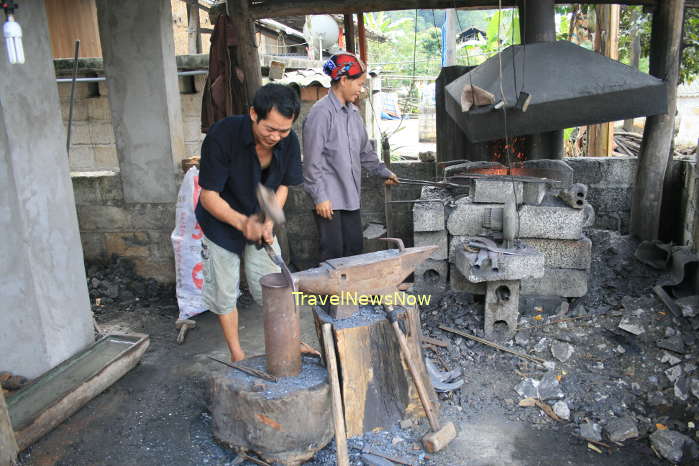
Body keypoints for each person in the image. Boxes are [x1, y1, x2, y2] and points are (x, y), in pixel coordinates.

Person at [196, 83, 302, 362]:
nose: (276, 137)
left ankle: (292, 341)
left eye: (284, 131)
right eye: (270, 129)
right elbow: (208, 196)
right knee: (224, 290)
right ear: (254, 114)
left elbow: (283, 188)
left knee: (275, 285)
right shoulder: (223, 136)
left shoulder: (288, 141)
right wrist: (244, 223)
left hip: (259, 219)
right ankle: (237, 353)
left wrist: (268, 221)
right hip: (221, 222)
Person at [303, 52, 399, 262]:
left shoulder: (353, 114)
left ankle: (349, 295)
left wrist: (383, 172)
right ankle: (330, 296)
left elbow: (365, 153)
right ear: (344, 80)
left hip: (350, 197)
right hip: (329, 201)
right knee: (333, 254)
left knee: (354, 249)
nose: (361, 89)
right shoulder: (320, 113)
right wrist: (320, 197)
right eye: (359, 83)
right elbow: (312, 162)